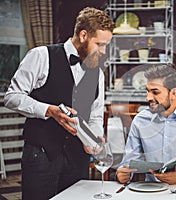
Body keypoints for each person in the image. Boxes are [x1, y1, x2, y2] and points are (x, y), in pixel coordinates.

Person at [4, 7, 114, 200]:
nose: (104, 51)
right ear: (83, 35)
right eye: (100, 44)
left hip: (77, 159)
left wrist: (94, 140)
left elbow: (95, 115)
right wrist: (48, 110)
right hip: (42, 155)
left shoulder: (97, 74)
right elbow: (12, 96)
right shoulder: (40, 56)